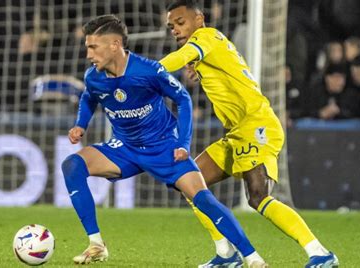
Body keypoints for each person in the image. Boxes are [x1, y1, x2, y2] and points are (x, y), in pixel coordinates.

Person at [62, 14, 268, 267]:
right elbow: (89, 97)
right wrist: (81, 125)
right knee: (72, 165)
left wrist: (183, 143)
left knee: (202, 198)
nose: (88, 54)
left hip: (163, 147)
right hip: (124, 147)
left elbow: (183, 99)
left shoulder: (148, 71)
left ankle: (253, 258)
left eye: (93, 47)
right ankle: (96, 244)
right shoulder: (93, 77)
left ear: (114, 45)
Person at [159, 1, 339, 267]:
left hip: (257, 126)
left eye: (180, 22)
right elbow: (199, 61)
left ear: (200, 19)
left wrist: (145, 72)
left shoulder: (205, 36)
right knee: (188, 182)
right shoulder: (207, 47)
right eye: (171, 26)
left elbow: (178, 58)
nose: (175, 29)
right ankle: (225, 254)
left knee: (257, 197)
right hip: (237, 133)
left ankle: (320, 252)